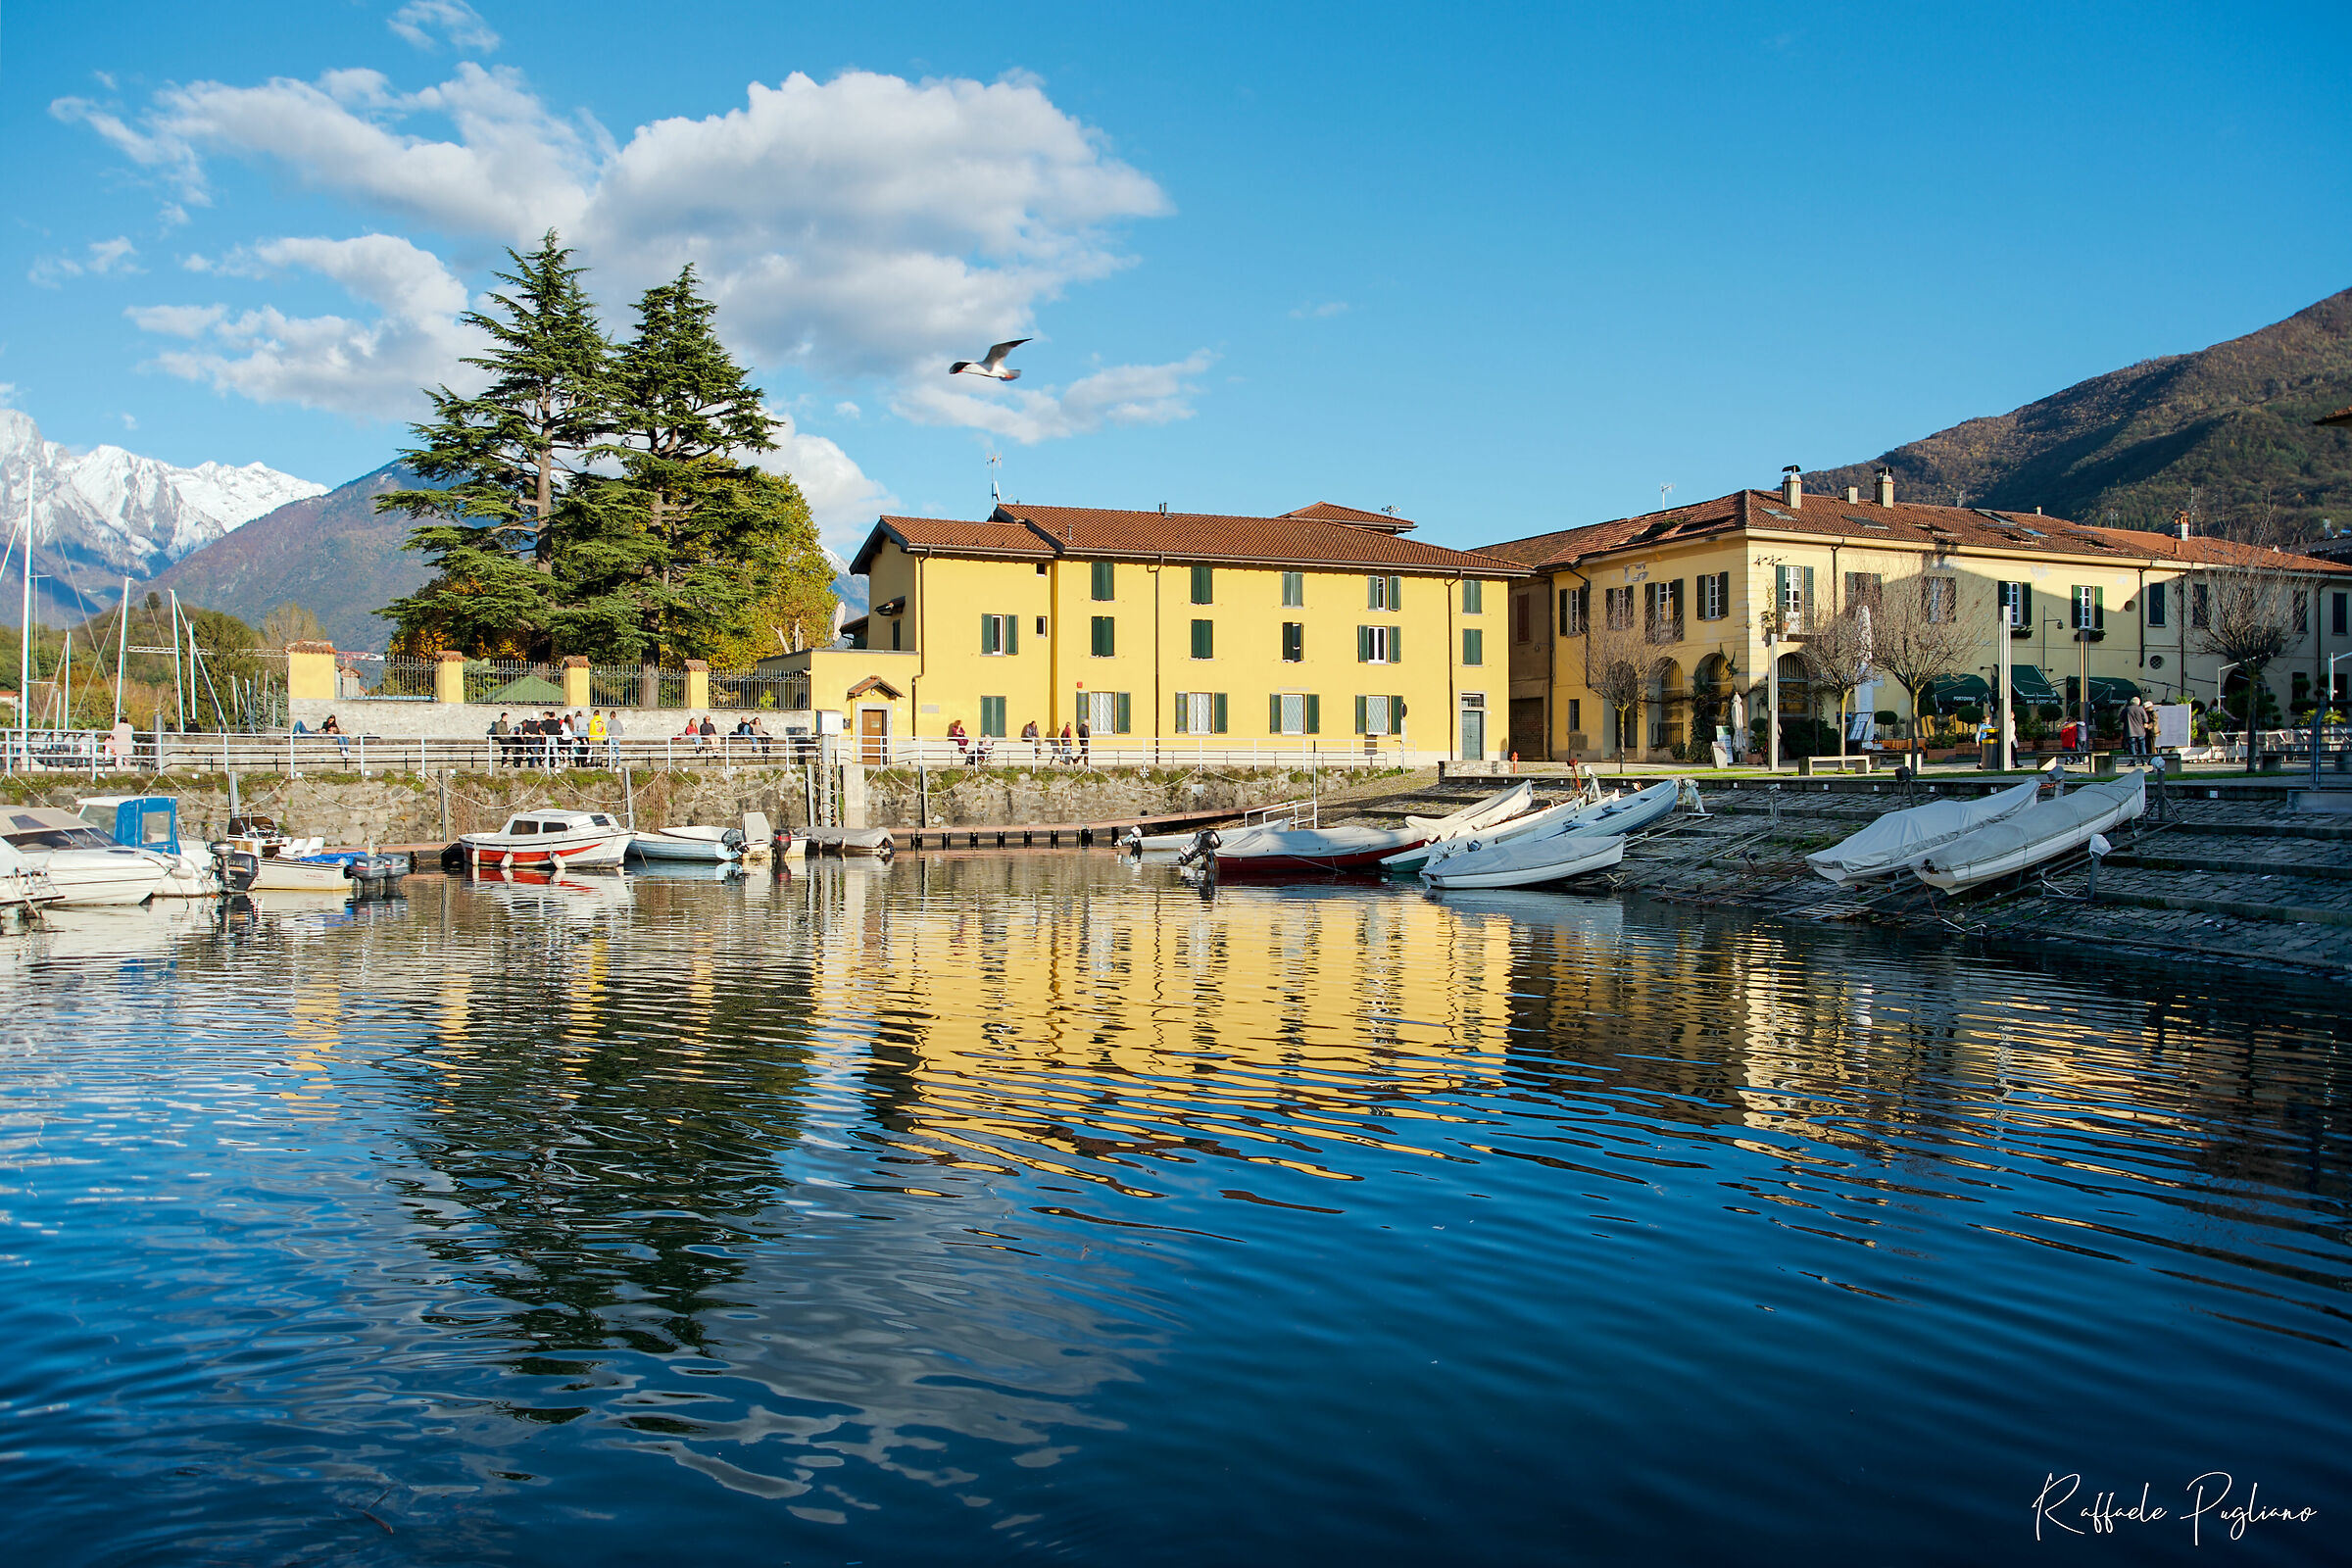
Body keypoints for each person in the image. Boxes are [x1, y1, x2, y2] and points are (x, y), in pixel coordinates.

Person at [2123, 694, 2146, 758]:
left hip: (2130, 731)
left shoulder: (2126, 709)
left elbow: (2121, 719)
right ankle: (2144, 759)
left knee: (2132, 746)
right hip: (2140, 731)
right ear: (2138, 702)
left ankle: (2134, 760)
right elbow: (2146, 720)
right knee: (2142, 746)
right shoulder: (2141, 709)